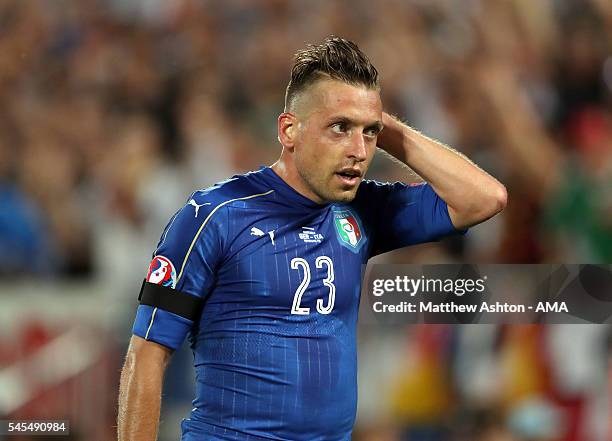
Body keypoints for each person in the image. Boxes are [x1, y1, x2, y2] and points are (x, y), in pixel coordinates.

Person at [117, 36, 506, 441]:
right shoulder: (215, 216)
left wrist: (380, 124)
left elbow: (484, 199)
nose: (359, 150)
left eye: (369, 133)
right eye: (340, 128)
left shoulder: (363, 210)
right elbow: (146, 356)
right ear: (289, 130)